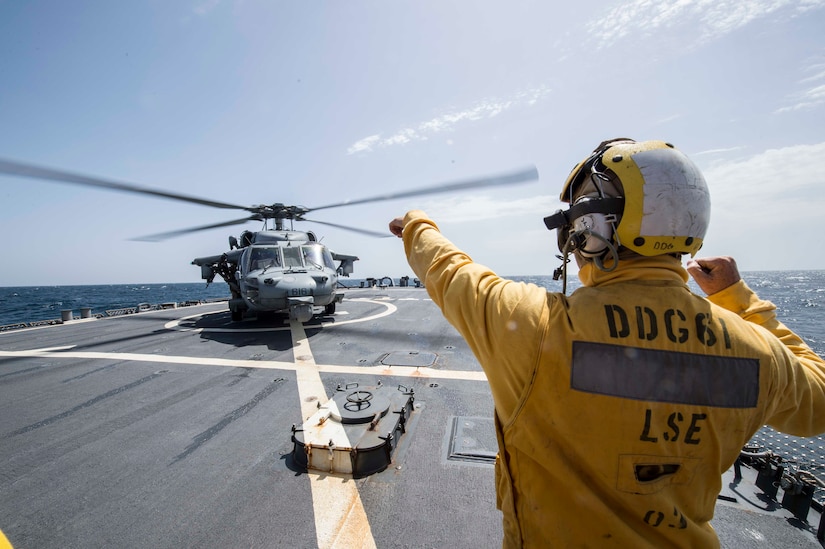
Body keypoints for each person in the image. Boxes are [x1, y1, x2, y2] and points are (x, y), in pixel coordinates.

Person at [389, 138, 825, 548]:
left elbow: (451, 272)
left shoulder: (535, 325)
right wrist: (740, 300)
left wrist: (416, 225)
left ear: (591, 231)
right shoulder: (759, 352)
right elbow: (817, 406)